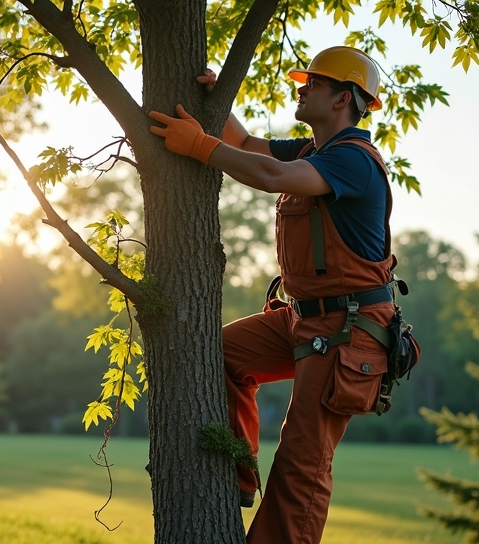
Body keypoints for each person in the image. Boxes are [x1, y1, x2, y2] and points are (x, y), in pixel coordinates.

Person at [148, 46, 399, 543]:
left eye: (315, 84)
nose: (301, 88)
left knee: (301, 464)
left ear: (343, 99)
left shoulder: (354, 161)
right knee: (214, 352)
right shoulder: (313, 152)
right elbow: (242, 142)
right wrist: (216, 97)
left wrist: (198, 147)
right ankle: (239, 471)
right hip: (303, 319)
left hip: (349, 329)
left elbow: (270, 177)